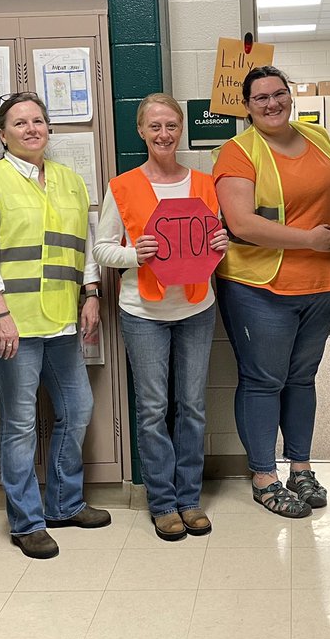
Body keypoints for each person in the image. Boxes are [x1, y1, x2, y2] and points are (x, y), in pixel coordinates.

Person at [0, 92, 108, 560]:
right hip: (11, 325)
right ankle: (27, 522)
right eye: (19, 123)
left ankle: (64, 503)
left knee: (77, 409)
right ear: (1, 135)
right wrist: (0, 314)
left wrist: (91, 294)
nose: (31, 129)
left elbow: (81, 246)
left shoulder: (69, 181)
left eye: (39, 121)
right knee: (20, 423)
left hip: (62, 318)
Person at [213, 66, 330, 519]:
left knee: (302, 379)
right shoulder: (237, 152)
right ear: (247, 106)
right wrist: (308, 240)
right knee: (263, 380)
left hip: (319, 284)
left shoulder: (320, 138)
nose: (272, 104)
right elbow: (241, 223)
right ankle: (264, 475)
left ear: (290, 96)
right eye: (260, 98)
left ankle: (302, 468)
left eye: (279, 94)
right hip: (259, 286)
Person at [93, 94, 228, 541]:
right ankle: (162, 502)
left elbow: (214, 240)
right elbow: (101, 249)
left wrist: (221, 244)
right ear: (141, 131)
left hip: (196, 307)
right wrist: (136, 255)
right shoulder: (123, 186)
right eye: (155, 127)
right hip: (143, 312)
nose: (164, 134)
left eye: (171, 125)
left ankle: (190, 498)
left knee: (191, 406)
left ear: (181, 128)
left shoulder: (205, 184)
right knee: (153, 409)